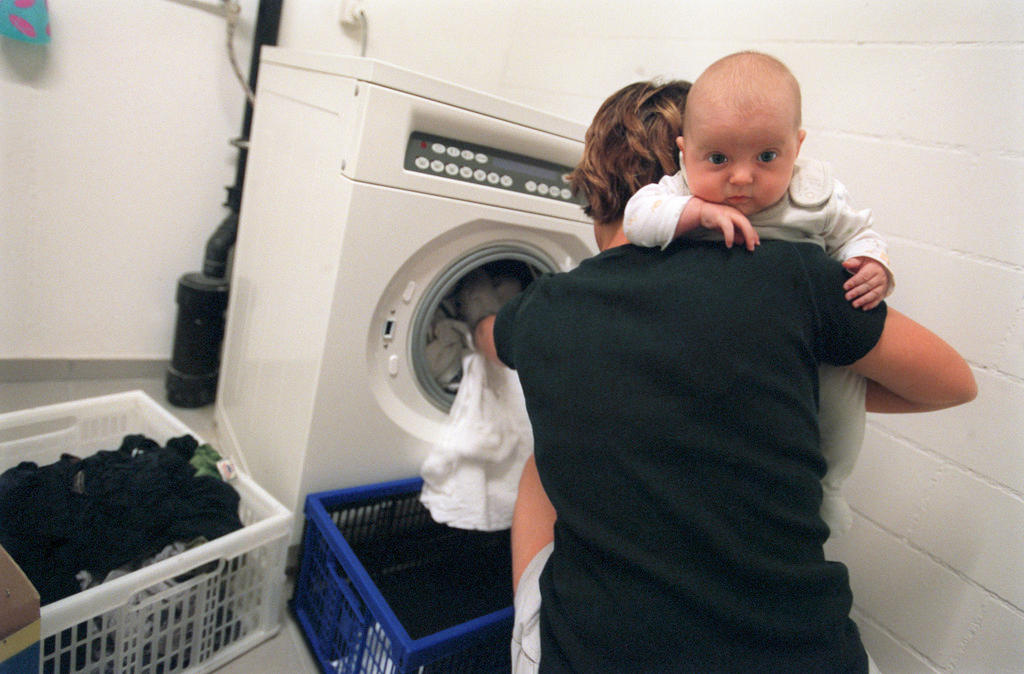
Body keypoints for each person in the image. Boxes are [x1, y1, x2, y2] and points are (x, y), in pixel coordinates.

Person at [465, 80, 975, 672]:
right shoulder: (794, 277)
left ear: (594, 190)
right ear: (691, 166)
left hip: (595, 654)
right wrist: (776, 381)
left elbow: (491, 339)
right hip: (805, 655)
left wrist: (472, 318)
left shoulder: (545, 308)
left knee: (540, 460)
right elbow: (953, 383)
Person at [624, 51, 894, 536]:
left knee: (839, 403)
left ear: (797, 147)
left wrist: (872, 264)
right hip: (716, 353)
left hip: (804, 351)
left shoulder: (813, 198)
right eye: (718, 158)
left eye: (767, 157)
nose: (742, 177)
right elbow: (637, 221)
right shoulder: (680, 192)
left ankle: (828, 490)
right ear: (686, 152)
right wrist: (697, 215)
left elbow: (860, 233)